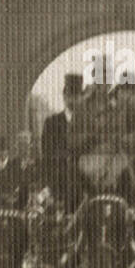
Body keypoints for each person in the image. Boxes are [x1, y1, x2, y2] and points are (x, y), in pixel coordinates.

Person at [41, 73, 87, 212]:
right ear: (64, 97)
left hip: (84, 187)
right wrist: (48, 186)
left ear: (81, 98)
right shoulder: (51, 123)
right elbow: (46, 156)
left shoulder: (87, 123)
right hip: (58, 186)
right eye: (69, 95)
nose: (72, 99)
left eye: (76, 95)